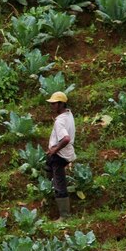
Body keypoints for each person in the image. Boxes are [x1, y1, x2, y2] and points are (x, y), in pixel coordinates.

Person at [45, 91, 76, 219]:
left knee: (59, 185)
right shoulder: (69, 115)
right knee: (47, 167)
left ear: (61, 104)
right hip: (63, 153)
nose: (52, 106)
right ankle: (47, 192)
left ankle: (64, 215)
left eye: (54, 104)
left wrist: (55, 149)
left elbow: (66, 138)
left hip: (59, 156)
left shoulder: (59, 122)